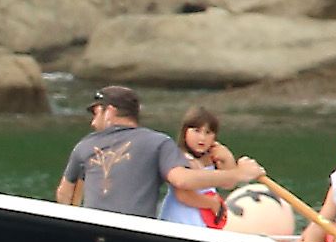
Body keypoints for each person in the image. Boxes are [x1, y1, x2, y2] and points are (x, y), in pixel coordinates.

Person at [57, 85, 257, 222]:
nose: (93, 122)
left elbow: (65, 195)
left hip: (93, 233)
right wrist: (238, 174)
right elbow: (182, 180)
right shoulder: (158, 142)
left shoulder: (84, 146)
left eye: (96, 113)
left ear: (109, 112)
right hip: (137, 237)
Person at [162, 106, 243, 226]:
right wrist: (212, 203)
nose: (202, 138)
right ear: (185, 132)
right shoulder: (179, 158)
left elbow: (229, 183)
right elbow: (183, 195)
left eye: (208, 132)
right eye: (196, 131)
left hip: (202, 222)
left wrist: (227, 158)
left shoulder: (212, 158)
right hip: (179, 220)